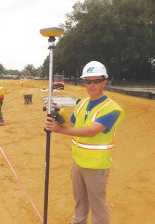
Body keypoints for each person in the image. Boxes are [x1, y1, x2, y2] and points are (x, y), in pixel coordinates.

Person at [45, 61, 125, 224]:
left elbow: (91, 131)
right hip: (78, 162)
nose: (91, 85)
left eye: (96, 81)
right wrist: (57, 116)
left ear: (105, 82)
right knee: (80, 201)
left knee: (97, 205)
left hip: (97, 166)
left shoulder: (111, 109)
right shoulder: (82, 104)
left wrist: (60, 130)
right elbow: (73, 123)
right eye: (88, 81)